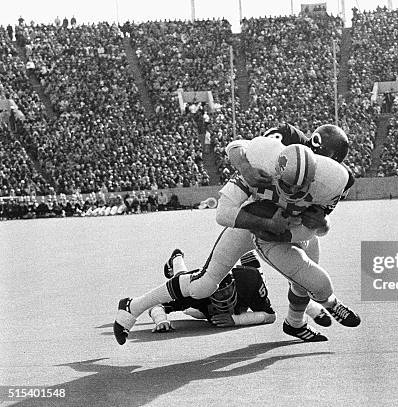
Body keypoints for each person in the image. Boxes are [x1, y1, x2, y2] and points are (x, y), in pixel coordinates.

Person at [113, 125, 358, 345]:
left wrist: (322, 224)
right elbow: (239, 149)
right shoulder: (283, 144)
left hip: (292, 227)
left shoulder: (336, 179)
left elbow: (322, 225)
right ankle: (134, 306)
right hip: (252, 218)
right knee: (203, 285)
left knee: (306, 274)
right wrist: (246, 169)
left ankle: (296, 322)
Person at [148, 249, 331, 332]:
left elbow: (270, 315)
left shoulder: (247, 281)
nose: (224, 296)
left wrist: (235, 320)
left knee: (257, 274)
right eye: (219, 293)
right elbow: (156, 305)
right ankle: (177, 257)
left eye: (226, 290)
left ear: (233, 283)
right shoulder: (198, 293)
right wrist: (161, 320)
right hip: (198, 286)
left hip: (245, 278)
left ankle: (246, 253)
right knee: (182, 283)